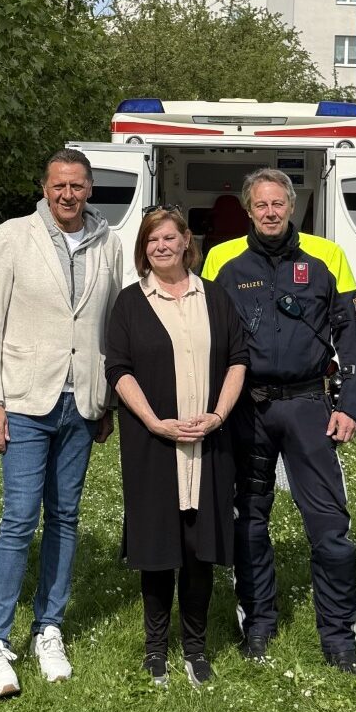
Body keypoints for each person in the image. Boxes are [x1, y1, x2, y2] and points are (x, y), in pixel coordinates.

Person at [201, 169, 356, 672]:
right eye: (261, 205)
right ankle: (258, 621)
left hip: (307, 408)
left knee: (329, 525)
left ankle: (339, 634)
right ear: (248, 210)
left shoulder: (327, 257)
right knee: (248, 521)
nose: (271, 213)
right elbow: (206, 336)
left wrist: (351, 406)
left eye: (279, 204)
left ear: (292, 206)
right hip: (246, 409)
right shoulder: (222, 259)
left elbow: (353, 339)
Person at [0, 148, 122, 699]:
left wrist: (107, 399)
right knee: (18, 518)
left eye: (78, 186)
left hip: (81, 400)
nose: (68, 194)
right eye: (59, 185)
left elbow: (109, 324)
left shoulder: (109, 243)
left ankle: (48, 627)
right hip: (26, 399)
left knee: (65, 516)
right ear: (45, 186)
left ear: (89, 189)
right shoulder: (12, 236)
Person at [104, 207, 249, 687]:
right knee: (158, 546)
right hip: (153, 443)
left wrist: (219, 415)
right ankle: (155, 650)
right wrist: (154, 422)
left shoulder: (216, 298)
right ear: (144, 250)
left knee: (199, 547)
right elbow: (119, 370)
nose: (161, 246)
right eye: (152, 240)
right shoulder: (129, 303)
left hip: (210, 443)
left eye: (170, 238)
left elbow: (237, 360)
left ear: (187, 241)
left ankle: (196, 648)